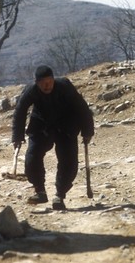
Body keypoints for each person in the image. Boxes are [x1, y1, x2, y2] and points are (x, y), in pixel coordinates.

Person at [12, 65, 94, 210]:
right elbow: (20, 111)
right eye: (43, 82)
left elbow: (82, 107)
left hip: (66, 125)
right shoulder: (31, 90)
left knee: (68, 161)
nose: (47, 85)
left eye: (49, 81)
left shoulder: (64, 86)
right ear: (37, 82)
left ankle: (60, 195)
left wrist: (87, 131)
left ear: (53, 79)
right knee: (32, 156)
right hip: (41, 125)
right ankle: (40, 191)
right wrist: (17, 136)